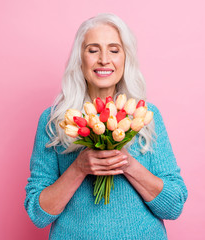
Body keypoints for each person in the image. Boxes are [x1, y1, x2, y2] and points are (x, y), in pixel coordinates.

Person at [24, 13, 188, 240]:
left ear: (125, 58)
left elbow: (174, 206)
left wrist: (127, 164)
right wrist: (79, 167)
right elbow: (38, 214)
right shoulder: (54, 121)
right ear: (80, 59)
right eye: (93, 50)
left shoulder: (146, 117)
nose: (103, 59)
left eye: (114, 49)